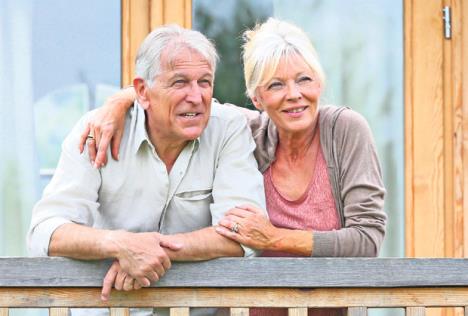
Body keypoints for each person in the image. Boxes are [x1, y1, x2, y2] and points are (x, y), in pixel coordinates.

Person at [80, 19, 387, 316]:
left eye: (304, 79)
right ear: (257, 98)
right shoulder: (244, 130)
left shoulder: (345, 130)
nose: (294, 94)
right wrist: (117, 103)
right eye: (277, 85)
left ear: (319, 82)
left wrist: (275, 238)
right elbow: (178, 100)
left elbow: (366, 239)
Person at [27, 24, 266, 316]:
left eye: (204, 82)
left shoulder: (228, 128)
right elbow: (44, 232)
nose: (196, 96)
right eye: (180, 83)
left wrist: (152, 250)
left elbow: (244, 236)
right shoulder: (96, 131)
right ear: (142, 91)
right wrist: (120, 244)